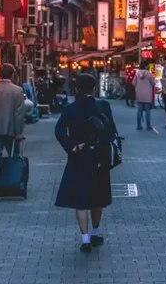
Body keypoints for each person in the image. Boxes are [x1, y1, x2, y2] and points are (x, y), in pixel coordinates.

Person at [55, 74, 115, 253]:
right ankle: (96, 232)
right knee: (98, 198)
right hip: (98, 158)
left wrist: (72, 147)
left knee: (81, 201)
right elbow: (110, 130)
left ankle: (85, 239)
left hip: (78, 158)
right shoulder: (102, 105)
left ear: (76, 88)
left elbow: (59, 130)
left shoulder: (69, 109)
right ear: (94, 88)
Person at [0, 63, 27, 197]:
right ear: (13, 74)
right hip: (11, 130)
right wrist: (19, 132)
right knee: (13, 157)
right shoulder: (18, 91)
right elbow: (18, 113)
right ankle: (12, 183)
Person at [133, 61, 155, 131]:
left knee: (139, 110)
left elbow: (133, 83)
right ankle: (148, 126)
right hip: (147, 94)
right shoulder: (149, 74)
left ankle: (139, 125)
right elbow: (153, 83)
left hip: (139, 93)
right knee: (147, 110)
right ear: (146, 66)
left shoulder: (137, 73)